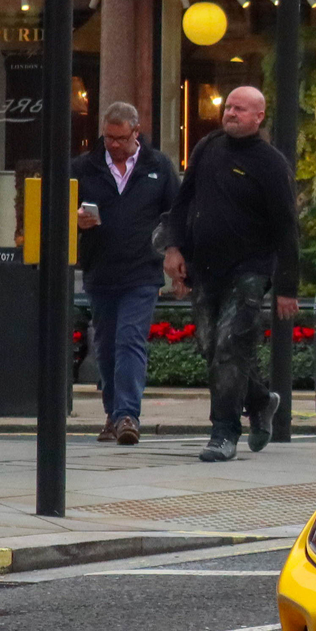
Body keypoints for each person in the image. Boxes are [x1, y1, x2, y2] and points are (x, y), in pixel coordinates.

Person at [164, 86, 299, 462]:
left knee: (229, 347)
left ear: (259, 116)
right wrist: (174, 249)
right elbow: (183, 202)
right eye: (229, 107)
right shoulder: (207, 147)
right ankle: (259, 400)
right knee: (212, 348)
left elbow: (287, 228)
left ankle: (223, 432)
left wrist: (286, 286)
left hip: (249, 270)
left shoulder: (270, 163)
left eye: (241, 109)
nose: (231, 113)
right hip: (205, 267)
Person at [73, 100, 181, 447]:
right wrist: (76, 220)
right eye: (108, 138)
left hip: (142, 270)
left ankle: (127, 416)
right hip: (100, 268)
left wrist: (175, 255)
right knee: (105, 346)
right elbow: (55, 211)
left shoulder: (158, 167)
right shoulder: (84, 167)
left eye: (120, 138)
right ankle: (113, 412)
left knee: (130, 339)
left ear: (136, 132)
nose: (114, 145)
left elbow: (176, 214)